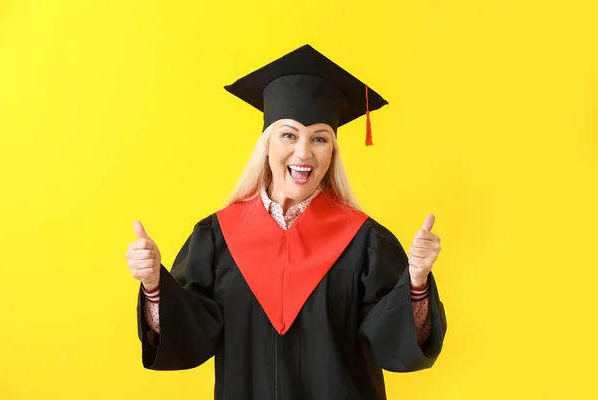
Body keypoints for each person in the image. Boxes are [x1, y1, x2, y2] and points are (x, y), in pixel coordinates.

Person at [126, 44, 447, 400]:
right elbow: (192, 336)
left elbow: (392, 346)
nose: (303, 153)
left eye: (320, 139)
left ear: (333, 152)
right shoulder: (216, 238)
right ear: (266, 144)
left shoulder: (365, 241)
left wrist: (416, 281)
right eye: (289, 135)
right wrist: (155, 285)